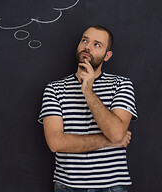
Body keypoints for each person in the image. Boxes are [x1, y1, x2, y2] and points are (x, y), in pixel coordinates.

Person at [38, 26, 138, 192]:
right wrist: (109, 141)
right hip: (67, 187)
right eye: (85, 40)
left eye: (97, 44)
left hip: (111, 188)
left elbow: (115, 132)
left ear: (107, 56)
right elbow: (55, 143)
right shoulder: (54, 89)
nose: (87, 47)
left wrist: (88, 91)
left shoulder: (121, 85)